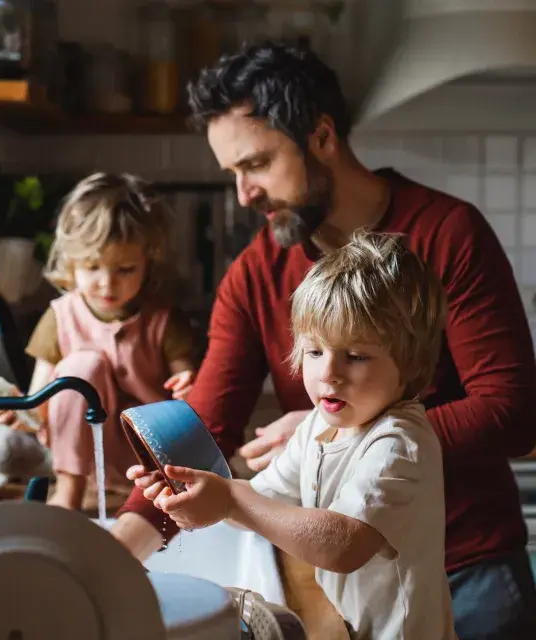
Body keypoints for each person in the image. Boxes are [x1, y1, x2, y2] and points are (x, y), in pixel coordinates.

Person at [113, 42, 536, 638]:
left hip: (468, 572)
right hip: (350, 596)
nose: (243, 194)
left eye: (256, 164)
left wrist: (344, 433)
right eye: (232, 173)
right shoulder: (256, 273)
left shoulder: (447, 234)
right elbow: (203, 428)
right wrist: (114, 554)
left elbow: (511, 412)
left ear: (322, 136)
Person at [140, 229, 456, 639]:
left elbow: (342, 545)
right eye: (314, 351)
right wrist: (199, 495)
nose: (328, 374)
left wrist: (232, 499)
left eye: (356, 356)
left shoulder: (398, 443)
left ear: (410, 365)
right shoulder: (319, 427)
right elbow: (261, 506)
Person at [0, 172, 198, 510]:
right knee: (80, 368)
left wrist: (190, 387)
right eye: (92, 267)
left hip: (151, 456)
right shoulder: (60, 316)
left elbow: (189, 390)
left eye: (125, 269)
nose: (106, 284)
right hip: (83, 461)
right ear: (71, 263)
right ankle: (68, 493)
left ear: (149, 260)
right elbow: (40, 404)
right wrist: (20, 409)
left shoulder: (163, 319)